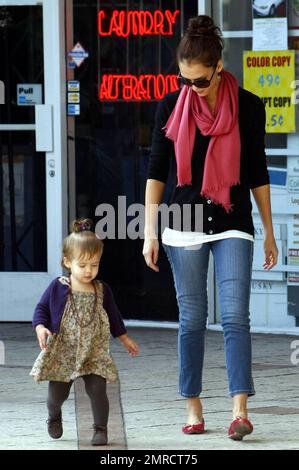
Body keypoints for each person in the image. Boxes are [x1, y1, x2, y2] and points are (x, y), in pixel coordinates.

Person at [143, 15, 278, 441]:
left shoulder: (250, 107)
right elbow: (156, 171)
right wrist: (149, 231)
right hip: (182, 223)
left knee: (236, 315)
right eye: (184, 80)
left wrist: (270, 231)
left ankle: (239, 409)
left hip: (233, 219)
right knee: (193, 318)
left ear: (219, 68)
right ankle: (193, 404)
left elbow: (257, 171)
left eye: (199, 81)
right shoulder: (171, 106)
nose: (191, 88)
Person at [30, 218, 139, 446]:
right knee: (56, 395)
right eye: (83, 265)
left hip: (93, 350)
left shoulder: (102, 289)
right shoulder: (58, 286)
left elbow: (114, 315)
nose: (89, 271)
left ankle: (101, 429)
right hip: (64, 350)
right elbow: (41, 309)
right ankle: (54, 415)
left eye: (95, 264)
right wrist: (41, 328)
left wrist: (124, 337)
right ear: (67, 262)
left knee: (98, 389)